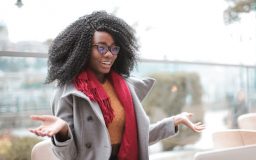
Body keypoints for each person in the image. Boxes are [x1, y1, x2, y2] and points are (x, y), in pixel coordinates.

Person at [29, 11, 205, 160]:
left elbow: (137, 137)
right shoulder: (69, 92)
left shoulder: (125, 88)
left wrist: (174, 121)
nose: (109, 55)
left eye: (114, 48)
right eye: (101, 47)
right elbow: (69, 155)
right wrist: (63, 131)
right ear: (82, 49)